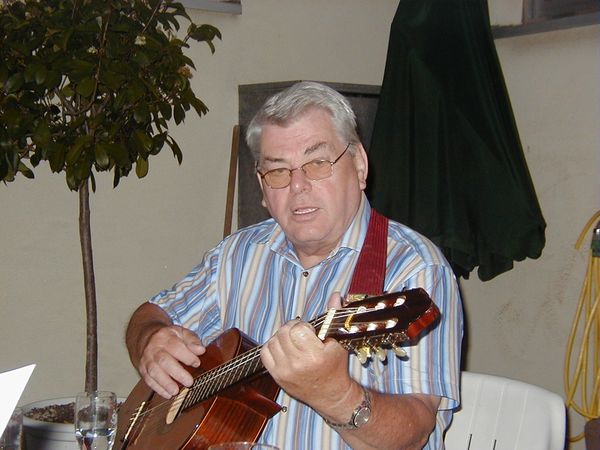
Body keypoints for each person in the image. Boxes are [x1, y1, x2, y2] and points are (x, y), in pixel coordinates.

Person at [125, 81, 463, 450]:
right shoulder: (237, 254)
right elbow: (150, 314)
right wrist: (150, 340)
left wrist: (335, 394)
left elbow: (414, 436)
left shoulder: (416, 270)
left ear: (359, 165)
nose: (298, 186)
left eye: (317, 163)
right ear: (262, 187)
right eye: (278, 171)